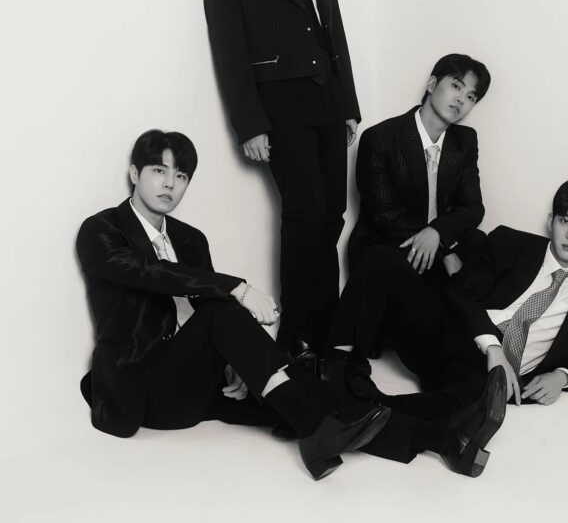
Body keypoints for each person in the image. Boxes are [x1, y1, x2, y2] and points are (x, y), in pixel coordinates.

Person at [77, 130, 508, 478]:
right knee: (228, 312)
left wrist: (232, 365)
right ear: (134, 173)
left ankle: (443, 439)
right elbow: (150, 274)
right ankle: (316, 433)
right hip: (143, 391)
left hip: (197, 384)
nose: (170, 183)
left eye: (181, 175)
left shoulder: (190, 239)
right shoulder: (101, 230)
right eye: (159, 171)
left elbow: (203, 314)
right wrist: (239, 288)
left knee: (311, 394)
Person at [203, 0, 359, 359]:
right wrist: (249, 123)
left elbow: (335, 34)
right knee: (304, 212)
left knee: (332, 212)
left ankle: (324, 330)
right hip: (279, 102)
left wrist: (348, 104)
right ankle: (297, 334)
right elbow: (229, 50)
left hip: (328, 99)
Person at [329, 179, 568, 420]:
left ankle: (361, 411)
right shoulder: (510, 243)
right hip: (449, 334)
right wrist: (492, 347)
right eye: (565, 221)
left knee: (471, 400)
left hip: (482, 378)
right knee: (382, 258)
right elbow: (461, 292)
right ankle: (337, 367)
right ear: (551, 221)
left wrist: (562, 376)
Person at [326, 52, 490, 372]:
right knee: (388, 262)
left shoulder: (465, 141)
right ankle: (348, 358)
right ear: (432, 84)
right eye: (456, 86)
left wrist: (438, 234)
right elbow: (384, 214)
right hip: (388, 244)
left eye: (471, 96)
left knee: (481, 243)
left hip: (433, 247)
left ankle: (481, 340)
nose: (462, 100)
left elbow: (473, 207)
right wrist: (442, 251)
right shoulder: (381, 138)